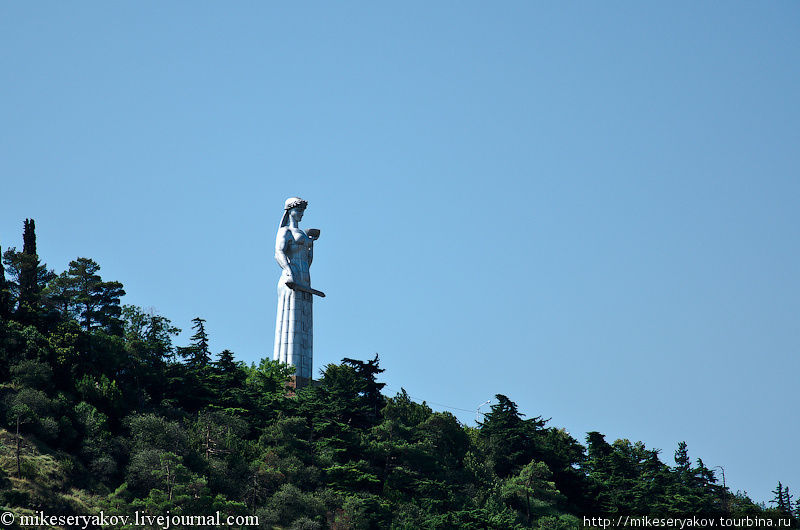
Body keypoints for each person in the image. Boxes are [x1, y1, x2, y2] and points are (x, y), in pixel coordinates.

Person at [273, 197, 319, 380]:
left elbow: (308, 260)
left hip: (304, 278)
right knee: (290, 322)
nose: (300, 214)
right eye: (298, 210)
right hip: (290, 278)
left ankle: (303, 378)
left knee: (304, 323)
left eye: (302, 211)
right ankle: (287, 377)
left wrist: (312, 244)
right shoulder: (285, 231)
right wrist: (288, 270)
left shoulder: (302, 233)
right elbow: (278, 253)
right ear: (289, 211)